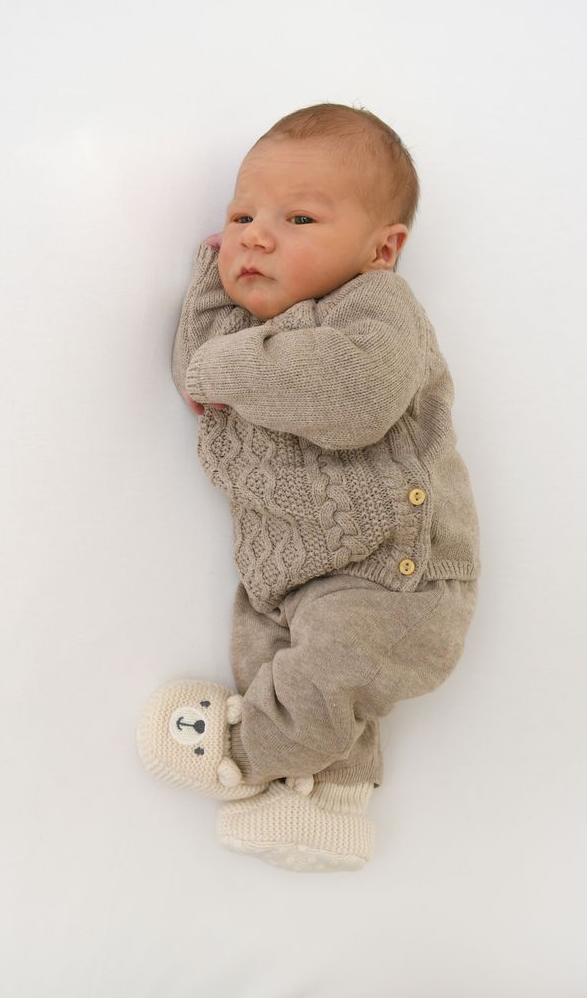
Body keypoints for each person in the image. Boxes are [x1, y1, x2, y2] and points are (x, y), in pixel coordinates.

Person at [137, 102, 481, 873]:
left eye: (297, 218)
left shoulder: (375, 308)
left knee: (326, 677)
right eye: (241, 216)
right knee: (276, 667)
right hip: (283, 573)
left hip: (396, 570)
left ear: (381, 249)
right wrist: (212, 282)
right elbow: (194, 371)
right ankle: (320, 809)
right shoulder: (242, 330)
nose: (257, 236)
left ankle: (236, 752)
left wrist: (220, 368)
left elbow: (357, 397)